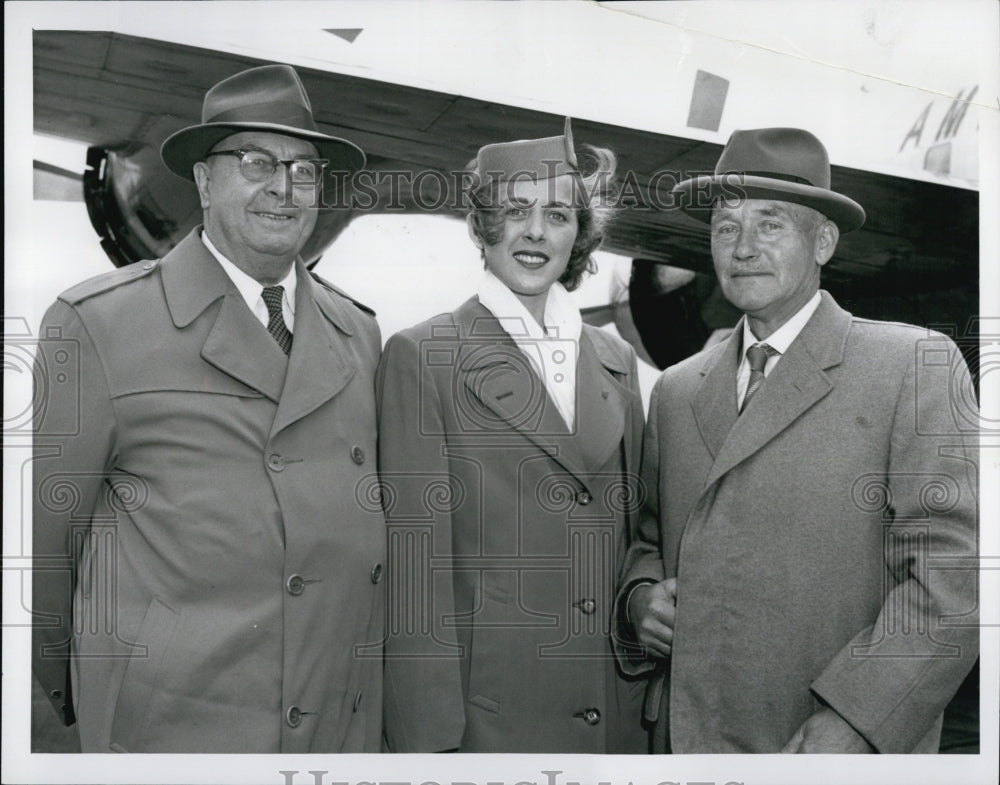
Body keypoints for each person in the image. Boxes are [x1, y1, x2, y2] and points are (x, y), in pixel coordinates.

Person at [31, 64, 385, 753]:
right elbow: (49, 554)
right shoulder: (96, 323)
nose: (284, 188)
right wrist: (93, 696)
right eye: (257, 162)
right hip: (177, 732)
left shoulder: (359, 333)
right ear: (203, 180)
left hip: (333, 734)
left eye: (305, 171)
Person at [616, 127, 979, 753]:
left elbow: (958, 578)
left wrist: (858, 719)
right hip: (690, 743)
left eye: (772, 224)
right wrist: (639, 600)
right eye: (726, 227)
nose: (744, 247)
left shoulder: (912, 365)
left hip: (826, 747)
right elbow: (648, 539)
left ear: (824, 242)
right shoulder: (676, 392)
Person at [376, 120, 646, 752]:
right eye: (515, 211)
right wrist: (428, 744)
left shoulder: (616, 361)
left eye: (557, 214)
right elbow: (414, 571)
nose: (534, 232)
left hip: (610, 715)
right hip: (489, 724)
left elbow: (638, 534)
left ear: (579, 233)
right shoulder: (424, 355)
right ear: (480, 227)